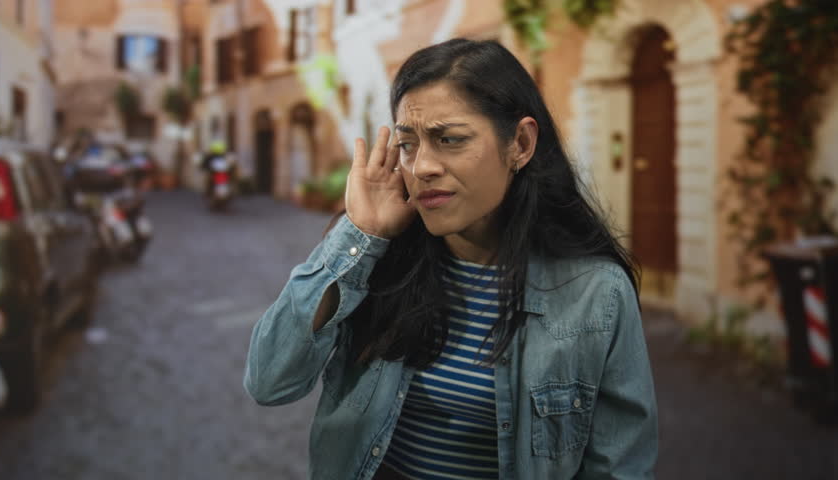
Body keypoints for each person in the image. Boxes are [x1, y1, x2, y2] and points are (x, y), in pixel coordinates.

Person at [244, 38, 657, 480]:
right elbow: (270, 380)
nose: (421, 166)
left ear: (519, 143)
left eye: (449, 139)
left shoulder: (595, 294)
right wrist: (360, 235)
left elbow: (620, 467)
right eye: (407, 144)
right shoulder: (378, 262)